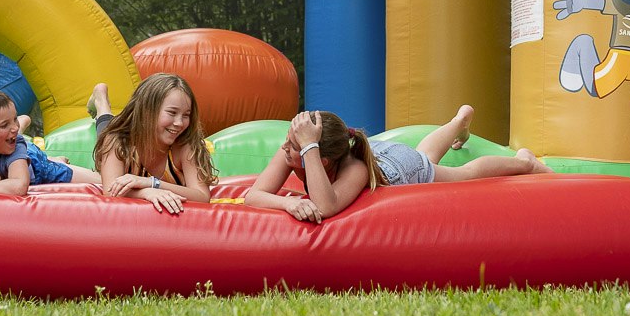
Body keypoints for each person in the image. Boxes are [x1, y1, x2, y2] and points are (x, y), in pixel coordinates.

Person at [244, 104, 551, 222]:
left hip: (400, 168)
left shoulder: (354, 168)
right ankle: (458, 121)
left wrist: (308, 145)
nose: (284, 147)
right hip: (381, 153)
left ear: (321, 160)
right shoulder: (293, 149)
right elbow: (253, 196)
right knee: (426, 155)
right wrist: (288, 203)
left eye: (294, 144)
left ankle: (524, 162)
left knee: (459, 172)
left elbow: (325, 207)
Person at [91, 74, 215, 215]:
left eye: (186, 115)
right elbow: (109, 191)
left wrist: (153, 183)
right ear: (147, 110)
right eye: (172, 112)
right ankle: (101, 100)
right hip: (127, 136)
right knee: (106, 131)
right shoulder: (118, 141)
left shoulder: (185, 146)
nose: (179, 123)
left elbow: (202, 196)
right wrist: (145, 192)